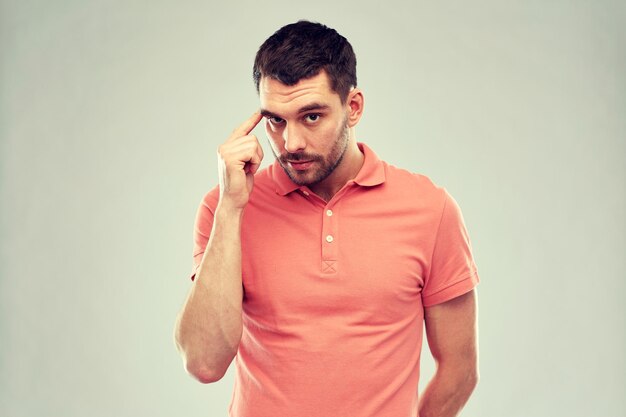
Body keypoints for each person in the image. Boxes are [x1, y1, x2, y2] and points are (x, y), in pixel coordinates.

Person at [174, 20, 480, 417]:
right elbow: (203, 363)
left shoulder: (430, 210)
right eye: (275, 120)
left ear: (352, 108)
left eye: (312, 117)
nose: (292, 143)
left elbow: (460, 370)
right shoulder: (225, 207)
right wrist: (232, 208)